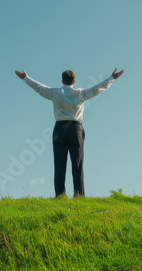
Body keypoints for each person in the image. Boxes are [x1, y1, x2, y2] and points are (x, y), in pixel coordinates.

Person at [14, 68, 125, 198]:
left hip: (59, 129)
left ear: (62, 80)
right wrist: (111, 78)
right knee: (77, 163)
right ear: (74, 81)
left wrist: (25, 77)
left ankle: (60, 195)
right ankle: (79, 195)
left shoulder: (55, 92)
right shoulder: (80, 93)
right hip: (75, 129)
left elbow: (39, 87)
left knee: (59, 163)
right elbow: (97, 89)